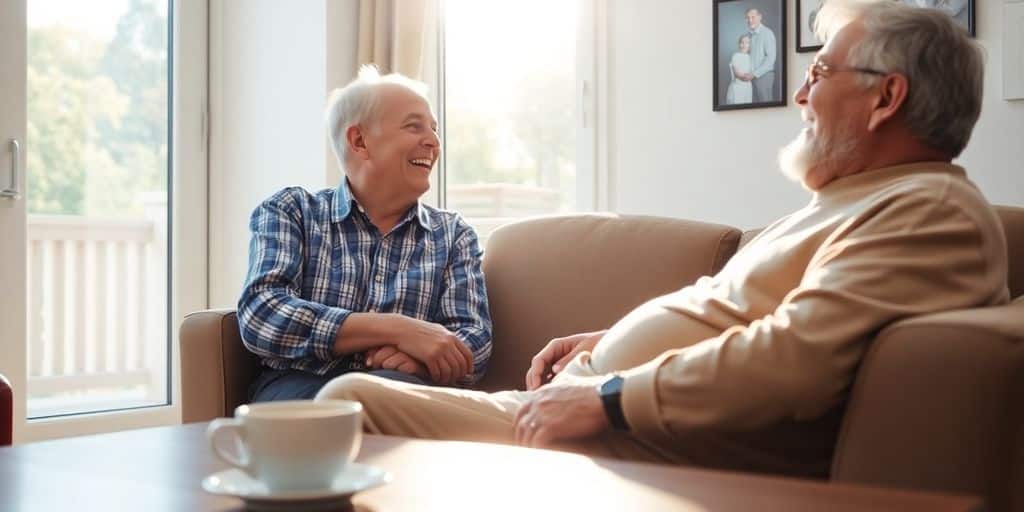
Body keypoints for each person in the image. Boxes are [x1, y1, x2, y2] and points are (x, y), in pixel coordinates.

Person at [316, 0, 1008, 478]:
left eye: (820, 72)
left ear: (887, 98)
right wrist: (605, 342)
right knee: (345, 400)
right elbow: (751, 321)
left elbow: (793, 356)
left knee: (346, 407)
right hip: (594, 410)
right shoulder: (857, 203)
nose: (802, 94)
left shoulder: (928, 214)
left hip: (628, 438)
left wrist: (607, 394)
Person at [237, 66, 493, 402]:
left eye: (434, 129)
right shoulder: (292, 210)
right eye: (414, 126)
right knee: (323, 414)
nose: (433, 141)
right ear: (360, 141)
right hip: (299, 384)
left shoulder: (453, 235)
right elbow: (261, 313)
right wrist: (400, 329)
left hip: (401, 388)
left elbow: (476, 339)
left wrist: (420, 361)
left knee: (383, 404)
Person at [746, 8, 778, 103]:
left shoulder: (767, 33)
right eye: (748, 18)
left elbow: (771, 59)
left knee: (766, 109)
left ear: (760, 17)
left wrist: (754, 74)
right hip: (751, 79)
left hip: (764, 77)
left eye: (753, 17)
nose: (750, 20)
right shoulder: (748, 35)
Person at [726, 34, 753, 105]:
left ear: (750, 45)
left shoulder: (750, 57)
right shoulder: (736, 56)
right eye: (742, 42)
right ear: (739, 44)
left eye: (747, 43)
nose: (744, 45)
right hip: (737, 87)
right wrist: (748, 77)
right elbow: (737, 74)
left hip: (747, 88)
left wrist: (751, 76)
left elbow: (753, 72)